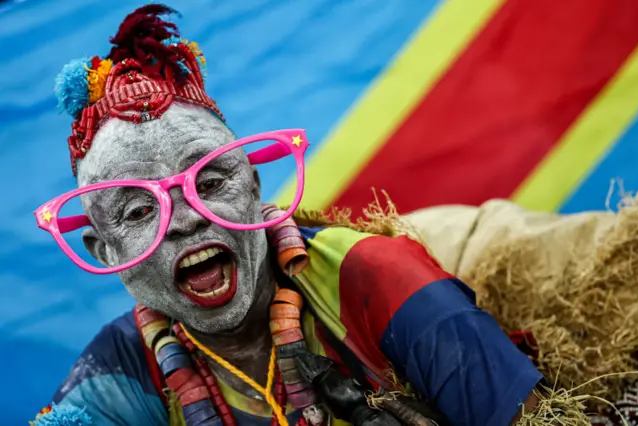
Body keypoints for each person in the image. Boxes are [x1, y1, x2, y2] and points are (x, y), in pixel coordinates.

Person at [31, 5, 580, 426]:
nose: (184, 220)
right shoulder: (118, 374)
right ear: (108, 254)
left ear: (253, 184)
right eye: (137, 210)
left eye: (211, 181)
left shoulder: (380, 282)